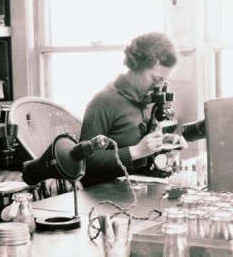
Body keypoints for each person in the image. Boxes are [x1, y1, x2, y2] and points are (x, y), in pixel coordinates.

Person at [79, 32, 186, 187]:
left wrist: (162, 142)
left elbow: (135, 140)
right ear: (137, 66)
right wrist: (135, 151)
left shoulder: (146, 98)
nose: (159, 87)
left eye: (163, 81)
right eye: (156, 79)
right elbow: (85, 161)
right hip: (106, 196)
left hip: (139, 188)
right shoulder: (103, 102)